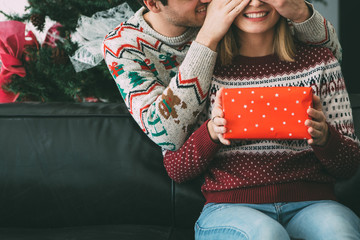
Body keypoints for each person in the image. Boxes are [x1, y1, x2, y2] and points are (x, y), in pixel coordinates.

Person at [163, 0, 360, 239]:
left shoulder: (320, 62)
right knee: (268, 234)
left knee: (340, 233)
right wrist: (211, 133)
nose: (255, 2)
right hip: (230, 208)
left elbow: (349, 166)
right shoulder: (202, 70)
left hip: (314, 203)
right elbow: (176, 168)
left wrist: (325, 137)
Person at [102, 0, 342, 151]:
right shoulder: (122, 45)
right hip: (199, 160)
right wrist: (207, 38)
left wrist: (301, 12)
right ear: (153, 3)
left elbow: (332, 57)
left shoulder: (233, 11)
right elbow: (167, 136)